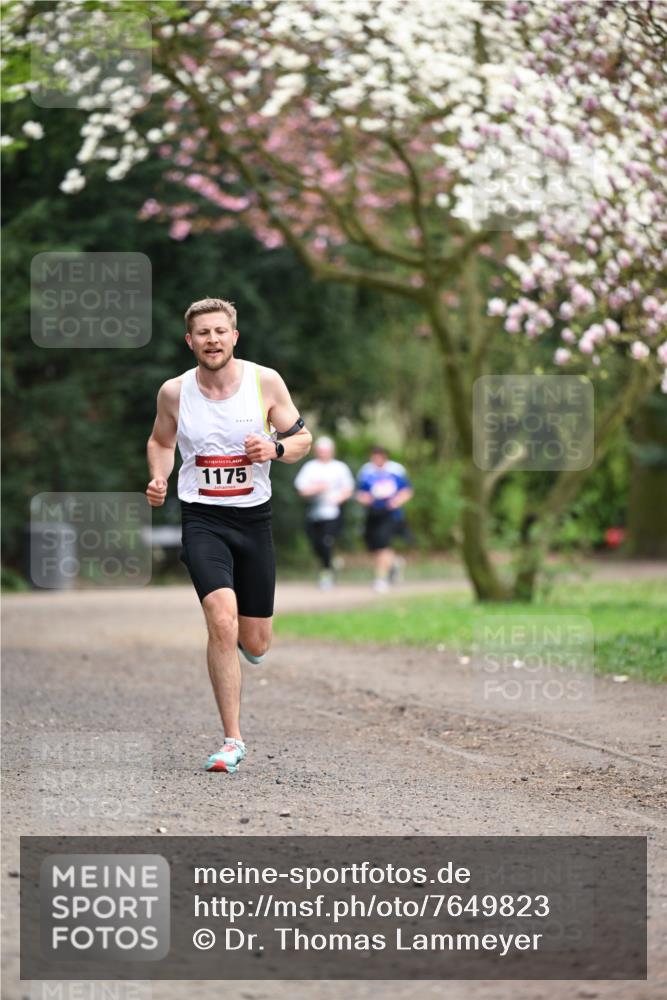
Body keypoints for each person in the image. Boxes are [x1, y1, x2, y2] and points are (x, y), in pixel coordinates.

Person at [145, 298, 311, 773]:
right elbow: (160, 440)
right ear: (190, 341)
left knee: (255, 642)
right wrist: (159, 476)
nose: (212, 340)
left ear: (234, 336)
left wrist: (275, 447)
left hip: (253, 521)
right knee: (221, 619)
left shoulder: (265, 382)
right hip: (203, 520)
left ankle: (243, 644)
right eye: (203, 333)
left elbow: (303, 439)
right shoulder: (175, 392)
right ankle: (232, 740)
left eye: (220, 331)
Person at [294, 436, 354, 588]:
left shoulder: (339, 467)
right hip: (314, 513)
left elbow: (348, 489)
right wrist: (316, 489)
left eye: (326, 451)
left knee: (326, 542)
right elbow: (301, 489)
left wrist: (338, 499)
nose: (323, 454)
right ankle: (330, 563)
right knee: (316, 544)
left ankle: (326, 573)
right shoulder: (310, 467)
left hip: (332, 513)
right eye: (320, 451)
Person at [356, 445, 414, 592]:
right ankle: (395, 563)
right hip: (373, 514)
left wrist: (396, 501)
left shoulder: (396, 471)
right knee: (375, 547)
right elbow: (359, 493)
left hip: (391, 514)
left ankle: (380, 579)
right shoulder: (366, 471)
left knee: (383, 546)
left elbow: (407, 491)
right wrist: (366, 499)